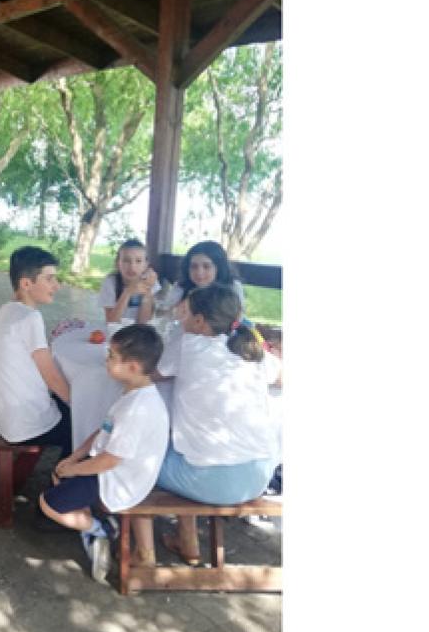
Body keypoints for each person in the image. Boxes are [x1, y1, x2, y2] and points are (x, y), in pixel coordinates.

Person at [154, 284, 281, 561]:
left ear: (199, 321)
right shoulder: (250, 350)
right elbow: (281, 377)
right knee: (188, 444)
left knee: (142, 449)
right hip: (259, 476)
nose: (181, 317)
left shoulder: (188, 344)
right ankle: (186, 540)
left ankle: (145, 550)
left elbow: (152, 374)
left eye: (186, 312)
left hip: (211, 482)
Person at [39, 325, 169, 583]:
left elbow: (110, 460)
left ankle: (101, 530)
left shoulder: (136, 409)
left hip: (119, 480)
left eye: (111, 356)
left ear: (132, 367)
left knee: (48, 503)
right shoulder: (134, 392)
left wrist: (75, 468)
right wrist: (74, 457)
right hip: (109, 467)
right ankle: (92, 527)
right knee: (59, 474)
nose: (106, 360)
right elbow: (104, 429)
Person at [0, 247, 72, 507]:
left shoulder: (4, 312)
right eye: (49, 278)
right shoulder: (30, 318)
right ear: (26, 284)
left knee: (59, 412)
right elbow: (51, 376)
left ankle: (15, 484)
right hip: (22, 423)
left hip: (4, 416)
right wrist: (80, 406)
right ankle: (58, 500)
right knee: (81, 430)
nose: (56, 285)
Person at [160, 239, 245, 315]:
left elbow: (237, 319)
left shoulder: (232, 287)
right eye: (194, 266)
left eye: (206, 266)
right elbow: (163, 313)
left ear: (219, 268)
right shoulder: (181, 287)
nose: (199, 272)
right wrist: (174, 310)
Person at [99, 238, 160, 324]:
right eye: (126, 261)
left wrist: (148, 290)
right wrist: (127, 292)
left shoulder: (150, 280)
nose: (132, 266)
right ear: (117, 263)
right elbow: (111, 322)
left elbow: (144, 322)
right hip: (117, 329)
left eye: (138, 261)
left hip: (139, 330)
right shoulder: (111, 282)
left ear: (146, 265)